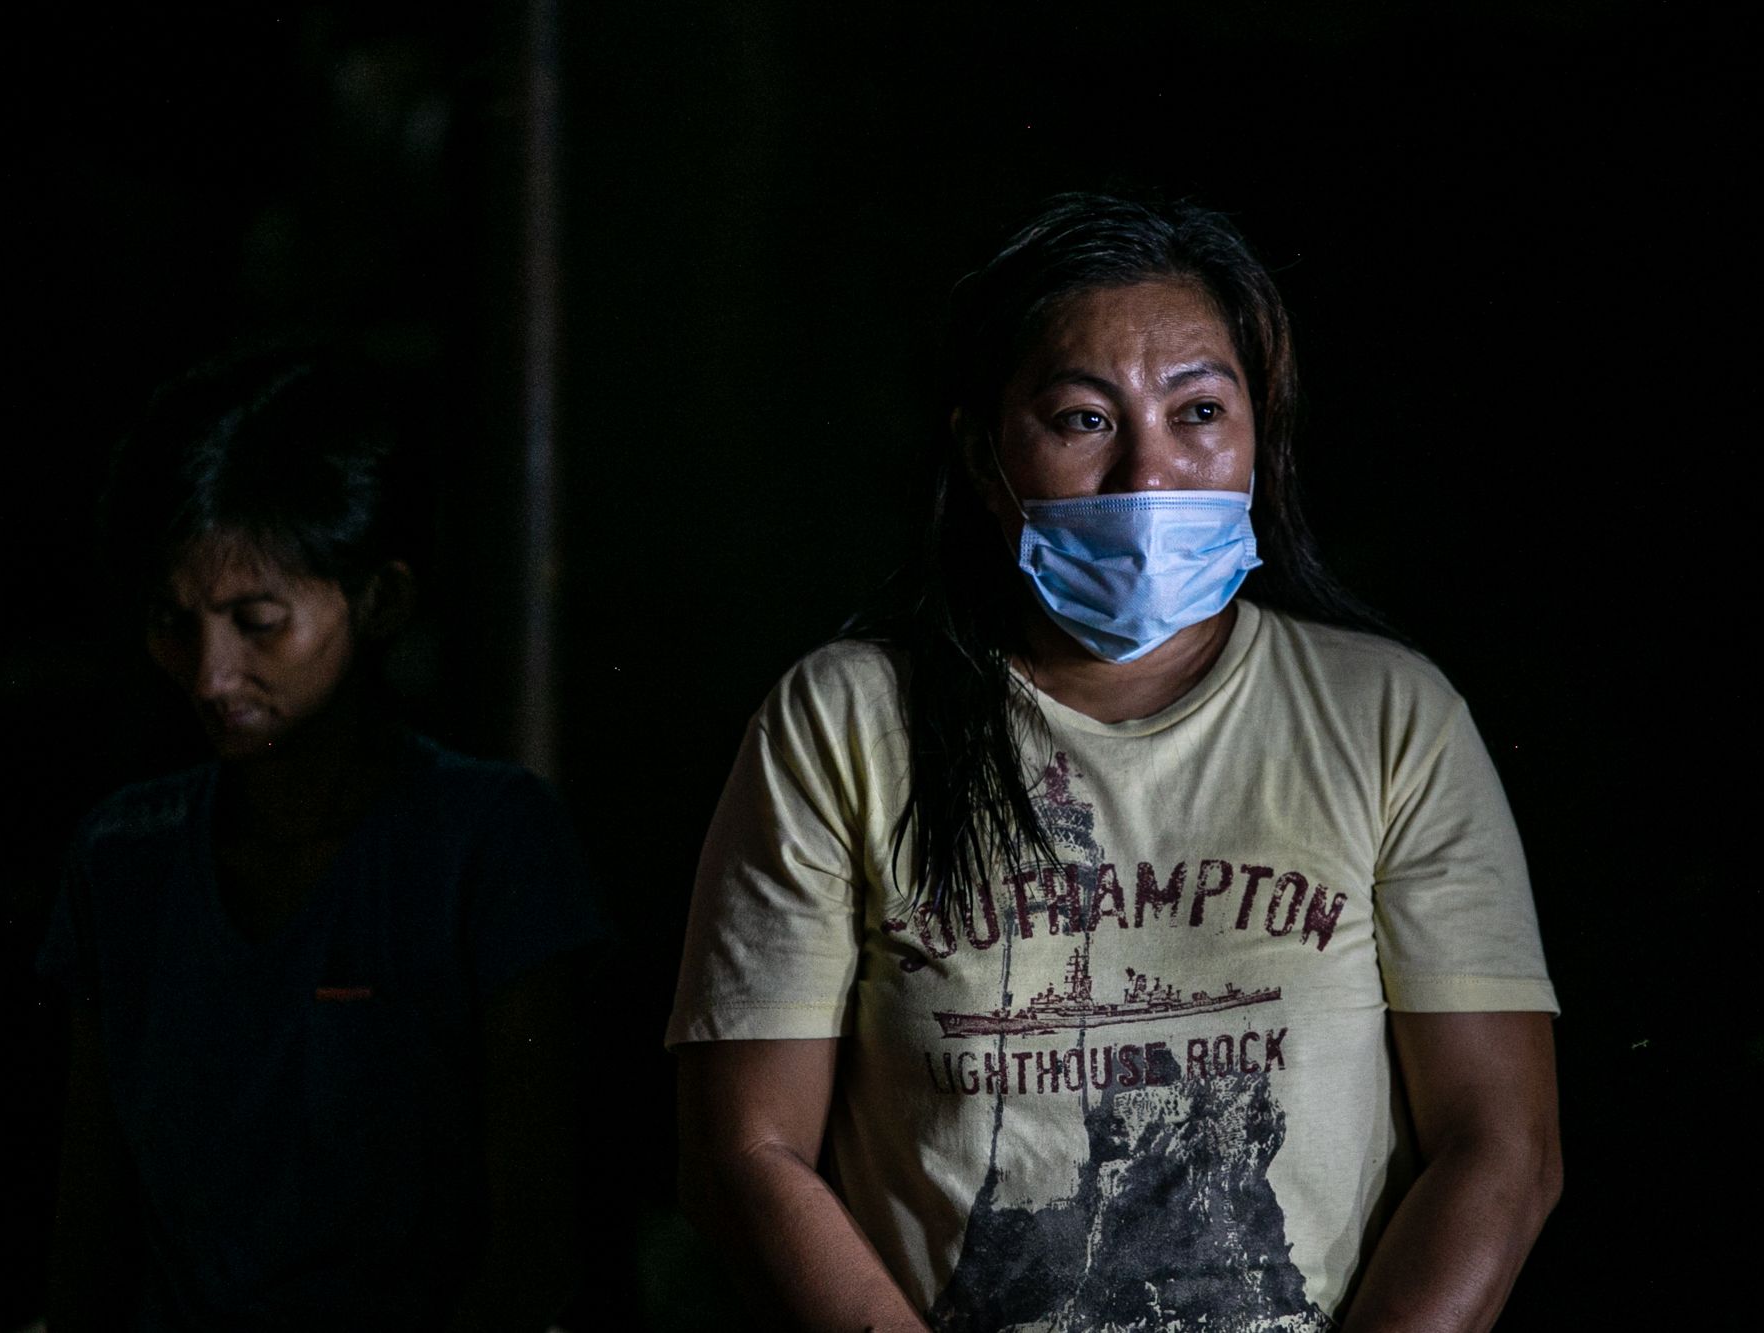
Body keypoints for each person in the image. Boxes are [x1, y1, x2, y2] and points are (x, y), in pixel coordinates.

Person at [668, 195, 1561, 1332]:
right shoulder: (845, 722)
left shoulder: (1386, 716)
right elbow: (747, 1150)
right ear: (982, 453)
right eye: (1083, 419)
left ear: (1261, 439)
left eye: (1196, 411)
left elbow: (1501, 1146)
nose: (1151, 472)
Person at [39, 350, 605, 1331]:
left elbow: (541, 1244)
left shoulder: (490, 845)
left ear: (378, 601)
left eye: (257, 623)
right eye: (174, 625)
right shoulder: (121, 861)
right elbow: (88, 1242)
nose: (211, 676)